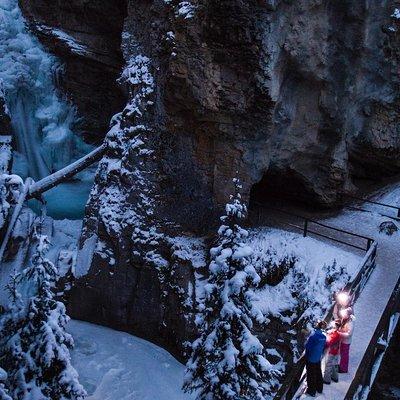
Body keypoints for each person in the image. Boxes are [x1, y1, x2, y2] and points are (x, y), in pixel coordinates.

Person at [305, 320, 327, 397]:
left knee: (311, 374)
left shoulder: (313, 336)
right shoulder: (323, 337)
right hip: (318, 358)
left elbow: (308, 347)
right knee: (318, 372)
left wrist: (307, 356)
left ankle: (311, 391)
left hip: (311, 358)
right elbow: (324, 347)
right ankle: (319, 388)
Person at [323, 320, 341, 384]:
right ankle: (335, 377)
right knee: (334, 364)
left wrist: (326, 338)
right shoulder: (338, 332)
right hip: (336, 351)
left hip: (332, 351)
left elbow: (330, 342)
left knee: (328, 365)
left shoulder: (336, 334)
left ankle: (326, 380)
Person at [338, 307, 355, 373]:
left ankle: (344, 369)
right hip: (342, 340)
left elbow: (349, 334)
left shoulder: (350, 323)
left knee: (345, 355)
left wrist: (340, 333)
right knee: (342, 354)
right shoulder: (345, 319)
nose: (343, 316)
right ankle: (342, 366)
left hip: (346, 341)